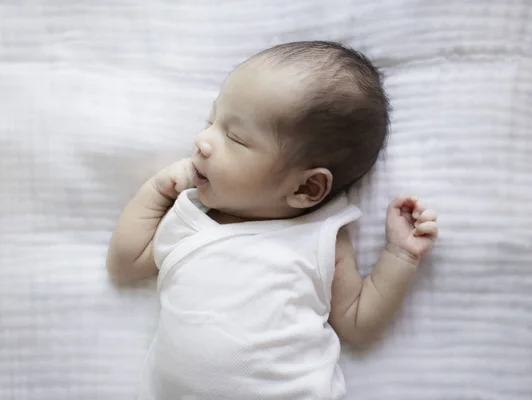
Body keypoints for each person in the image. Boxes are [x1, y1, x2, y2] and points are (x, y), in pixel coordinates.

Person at [107, 41, 439, 399]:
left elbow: (359, 323)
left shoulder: (320, 238)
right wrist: (158, 190)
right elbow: (124, 264)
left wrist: (400, 256)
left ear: (308, 187)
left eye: (234, 137)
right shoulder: (192, 217)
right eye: (211, 121)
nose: (202, 141)